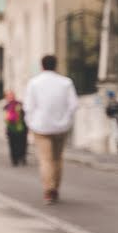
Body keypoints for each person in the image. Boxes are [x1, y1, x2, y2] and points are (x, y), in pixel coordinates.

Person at [24, 55, 78, 204]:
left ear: (42, 66)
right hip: (61, 127)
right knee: (58, 158)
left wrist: (31, 123)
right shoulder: (66, 82)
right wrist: (66, 120)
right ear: (56, 65)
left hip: (40, 126)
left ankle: (48, 190)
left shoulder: (34, 83)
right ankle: (55, 188)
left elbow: (28, 106)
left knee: (45, 159)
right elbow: (73, 105)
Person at [3, 91, 28, 166]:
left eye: (11, 95)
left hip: (21, 128)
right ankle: (15, 159)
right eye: (8, 96)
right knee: (13, 144)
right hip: (11, 128)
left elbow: (24, 115)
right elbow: (5, 118)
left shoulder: (19, 104)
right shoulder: (6, 106)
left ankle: (22, 158)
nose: (10, 97)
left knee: (22, 143)